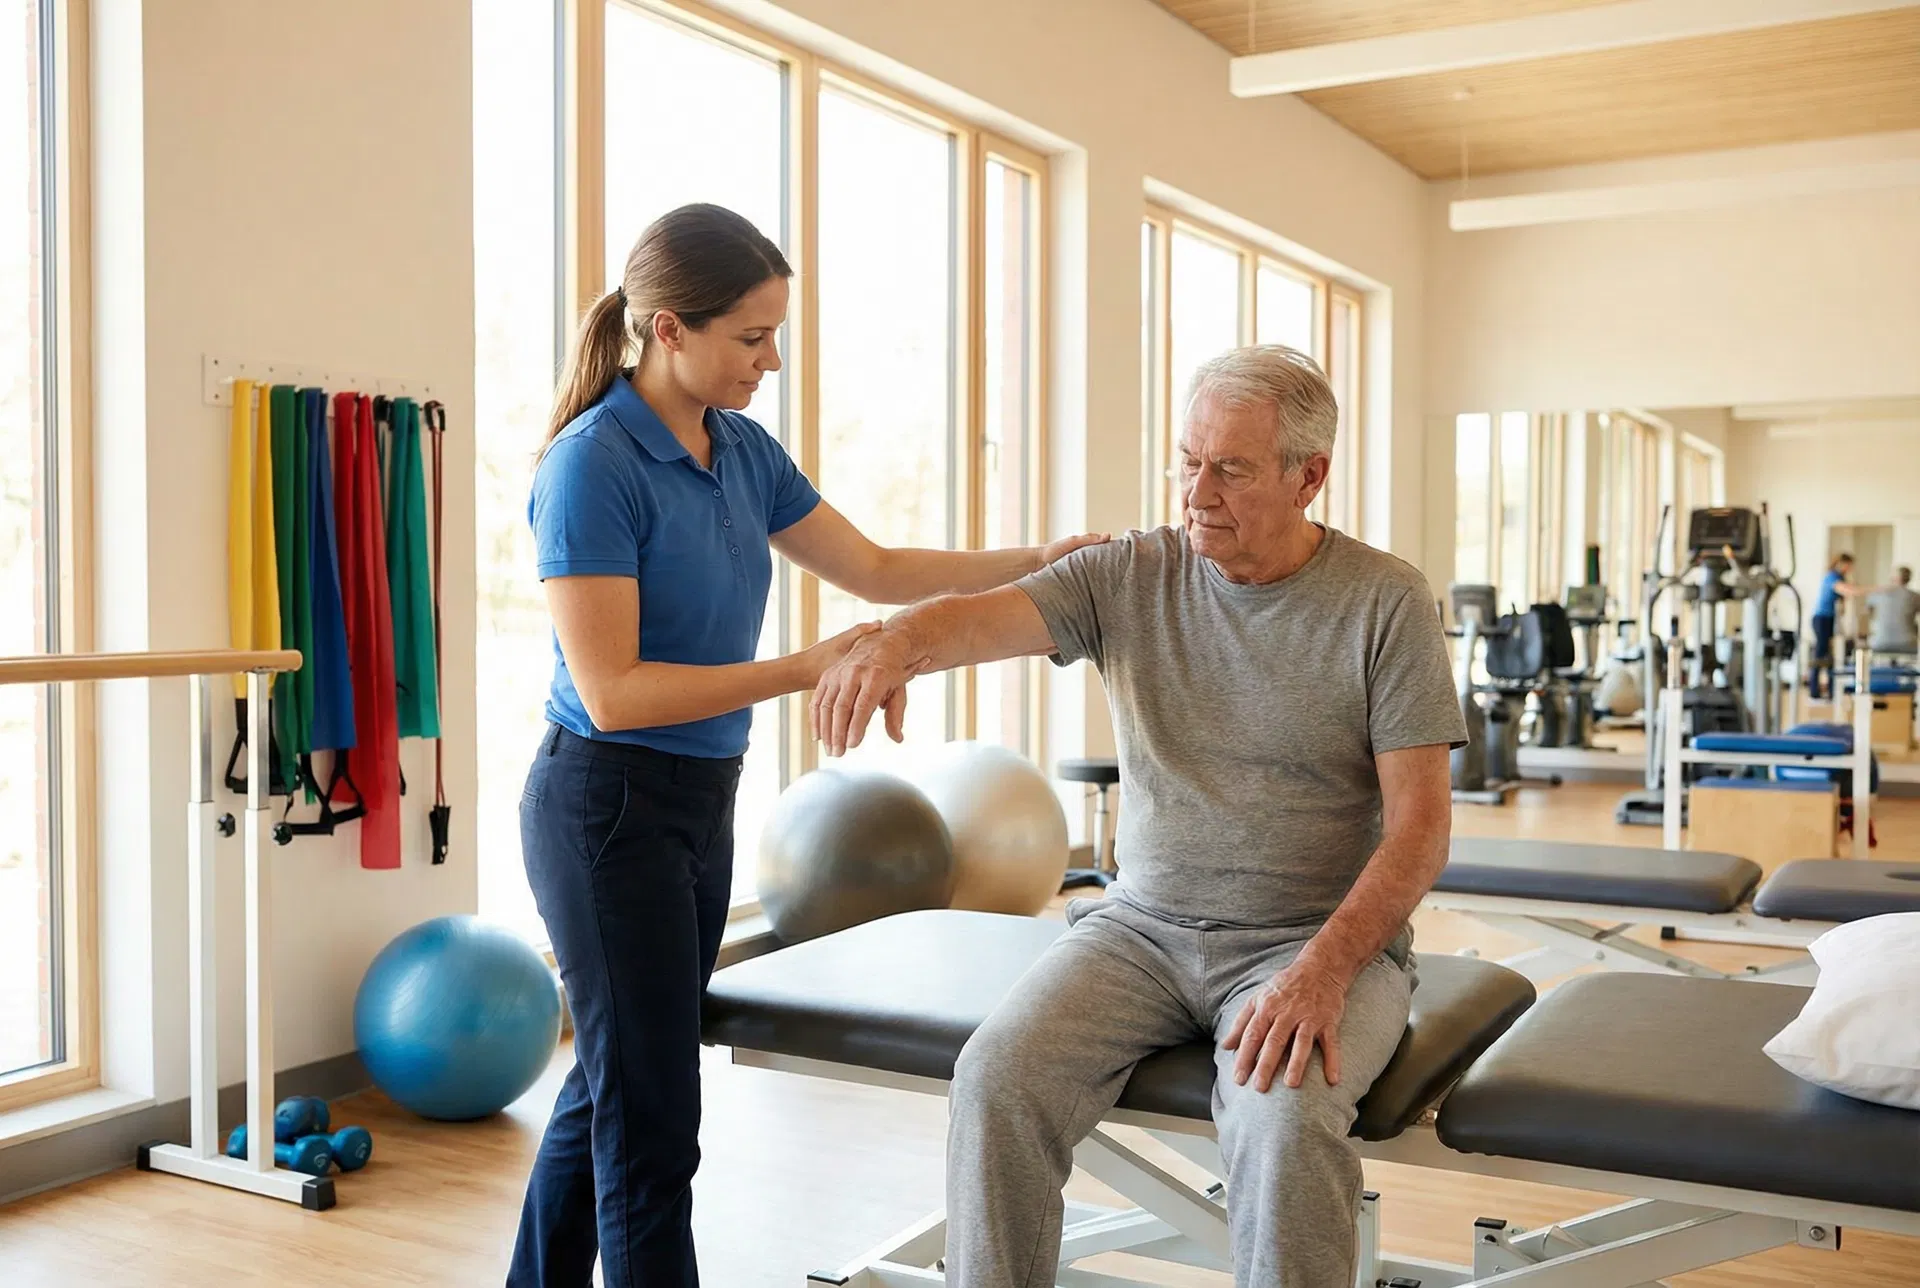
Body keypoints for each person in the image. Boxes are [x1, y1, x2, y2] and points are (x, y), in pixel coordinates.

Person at [509, 202, 1105, 1288]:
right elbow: (615, 690)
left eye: (777, 335)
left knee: (612, 1087)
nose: (770, 361)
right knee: (652, 1126)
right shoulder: (592, 465)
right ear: (668, 330)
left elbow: (877, 568)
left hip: (699, 798)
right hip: (607, 809)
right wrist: (809, 666)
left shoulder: (738, 446)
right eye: (750, 337)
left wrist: (1042, 560)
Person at [812, 344, 1466, 1288]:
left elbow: (1420, 830)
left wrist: (1320, 975)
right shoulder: (1129, 575)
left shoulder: (1384, 601)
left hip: (1310, 942)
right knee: (998, 1077)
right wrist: (896, 643)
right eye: (1188, 460)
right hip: (1139, 932)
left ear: (1308, 477)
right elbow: (974, 618)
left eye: (1232, 469)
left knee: (1279, 1121)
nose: (1198, 491)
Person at [1810, 553, 1867, 698]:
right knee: (1820, 653)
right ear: (1841, 563)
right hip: (1821, 619)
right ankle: (1814, 691)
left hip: (1830, 620)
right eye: (1849, 565)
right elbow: (1850, 591)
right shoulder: (1831, 577)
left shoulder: (1840, 578)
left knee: (1830, 656)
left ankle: (1831, 691)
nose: (1850, 569)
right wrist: (1875, 589)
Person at [1866, 566, 1920, 658]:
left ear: (1892, 578)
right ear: (1908, 579)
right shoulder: (1915, 596)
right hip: (1907, 643)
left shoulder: (1876, 593)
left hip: (1879, 643)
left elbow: (1869, 614)